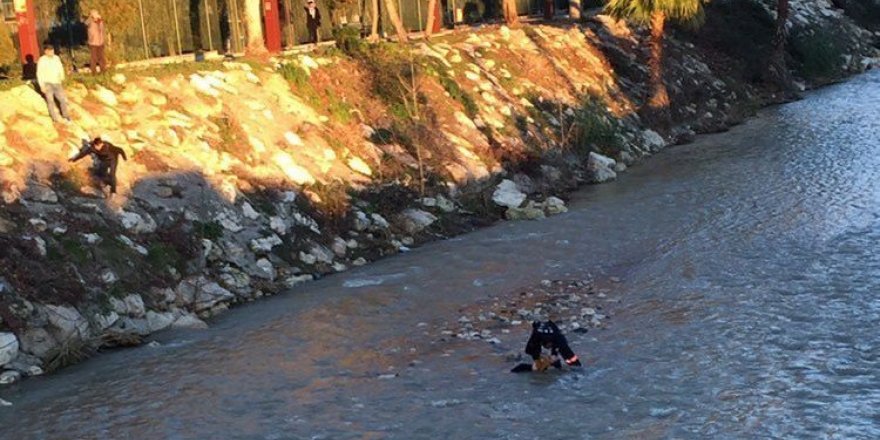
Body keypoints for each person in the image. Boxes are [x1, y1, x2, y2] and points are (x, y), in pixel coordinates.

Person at [511, 320, 582, 373]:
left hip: (553, 333)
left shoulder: (559, 339)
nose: (548, 347)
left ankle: (573, 369)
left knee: (568, 356)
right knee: (534, 356)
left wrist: (554, 356)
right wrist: (538, 360)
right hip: (541, 334)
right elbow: (529, 350)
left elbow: (568, 355)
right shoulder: (536, 337)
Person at [36, 44, 72, 123]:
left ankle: (66, 115)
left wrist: (62, 77)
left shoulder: (56, 58)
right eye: (49, 51)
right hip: (47, 83)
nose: (51, 52)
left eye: (52, 50)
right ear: (45, 51)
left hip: (57, 82)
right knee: (50, 101)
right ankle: (54, 118)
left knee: (63, 99)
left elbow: (60, 68)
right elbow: (39, 73)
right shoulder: (42, 60)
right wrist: (42, 85)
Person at [85, 10, 107, 74]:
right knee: (93, 58)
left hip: (100, 42)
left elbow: (102, 30)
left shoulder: (100, 22)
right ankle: (93, 72)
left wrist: (99, 20)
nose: (96, 15)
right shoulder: (90, 22)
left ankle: (103, 71)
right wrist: (91, 17)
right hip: (93, 42)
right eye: (95, 14)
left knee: (101, 57)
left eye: (97, 13)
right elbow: (86, 23)